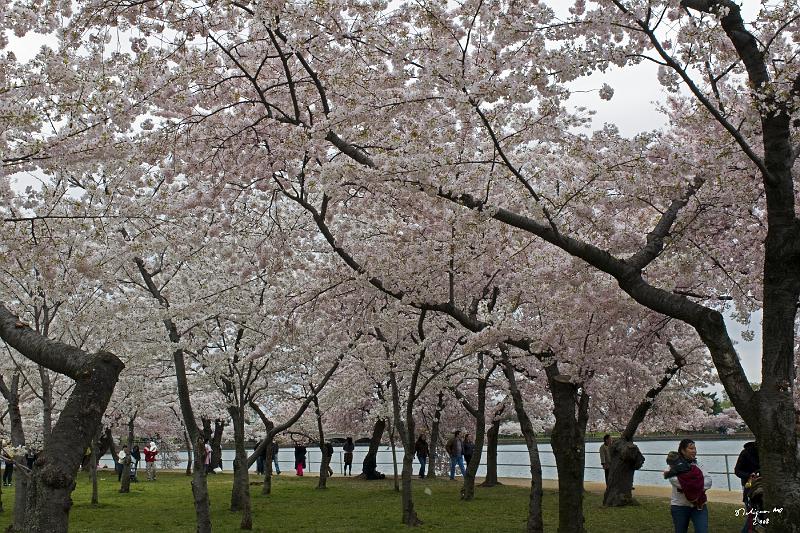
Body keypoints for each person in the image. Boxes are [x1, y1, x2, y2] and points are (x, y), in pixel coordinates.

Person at [663, 438, 711, 533]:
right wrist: (698, 483)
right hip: (679, 506)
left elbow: (708, 481)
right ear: (682, 450)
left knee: (702, 530)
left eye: (695, 449)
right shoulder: (673, 466)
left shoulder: (698, 465)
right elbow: (675, 481)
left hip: (699, 506)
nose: (694, 451)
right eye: (691, 448)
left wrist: (690, 484)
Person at [734, 441, 759, 533]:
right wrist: (749, 475)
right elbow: (737, 470)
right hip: (749, 487)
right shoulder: (746, 452)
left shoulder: (771, 452)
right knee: (752, 516)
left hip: (766, 486)